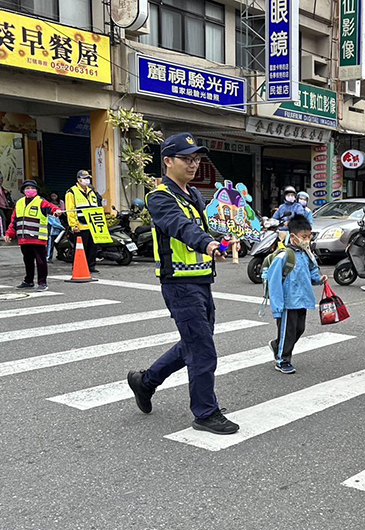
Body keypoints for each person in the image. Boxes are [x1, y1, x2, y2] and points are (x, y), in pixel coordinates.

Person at [126, 133, 238, 435]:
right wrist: (208, 244)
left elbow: (203, 226)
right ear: (168, 161)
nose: (193, 163)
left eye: (196, 158)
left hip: (201, 280)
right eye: (187, 158)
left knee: (193, 343)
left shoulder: (194, 195)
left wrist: (224, 239)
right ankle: (205, 413)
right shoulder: (160, 197)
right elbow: (181, 227)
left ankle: (145, 381)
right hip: (178, 283)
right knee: (202, 349)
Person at [266, 215, 327, 374]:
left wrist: (319, 279)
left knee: (299, 329)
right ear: (293, 237)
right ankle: (282, 360)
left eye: (309, 236)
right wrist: (277, 306)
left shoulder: (306, 253)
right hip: (288, 301)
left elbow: (312, 270)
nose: (308, 239)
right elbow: (273, 281)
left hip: (303, 299)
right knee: (288, 331)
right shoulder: (284, 255)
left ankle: (277, 345)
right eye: (304, 236)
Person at [3, 180, 62, 291]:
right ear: (23, 191)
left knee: (41, 261)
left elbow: (51, 207)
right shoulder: (19, 203)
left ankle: (42, 283)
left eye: (32, 188)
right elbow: (14, 220)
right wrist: (9, 233)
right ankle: (28, 281)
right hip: (24, 239)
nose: (30, 190)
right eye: (27, 188)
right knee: (28, 260)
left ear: (36, 190)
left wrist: (57, 210)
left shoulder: (41, 201)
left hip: (38, 238)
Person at [65, 169, 102, 274]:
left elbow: (96, 207)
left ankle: (91, 266)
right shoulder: (72, 192)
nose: (87, 180)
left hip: (93, 225)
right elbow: (70, 210)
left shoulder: (92, 192)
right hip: (81, 225)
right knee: (81, 248)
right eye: (84, 178)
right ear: (79, 179)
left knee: (92, 248)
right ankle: (78, 266)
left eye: (88, 178)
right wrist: (73, 225)